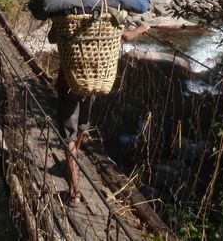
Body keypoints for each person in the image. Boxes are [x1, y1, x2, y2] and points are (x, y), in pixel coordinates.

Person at [48, 19, 150, 207]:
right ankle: (74, 160)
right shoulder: (103, 16)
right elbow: (125, 36)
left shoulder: (68, 14)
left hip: (68, 83)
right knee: (81, 128)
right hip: (93, 82)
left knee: (68, 136)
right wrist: (142, 29)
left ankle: (74, 192)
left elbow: (51, 38)